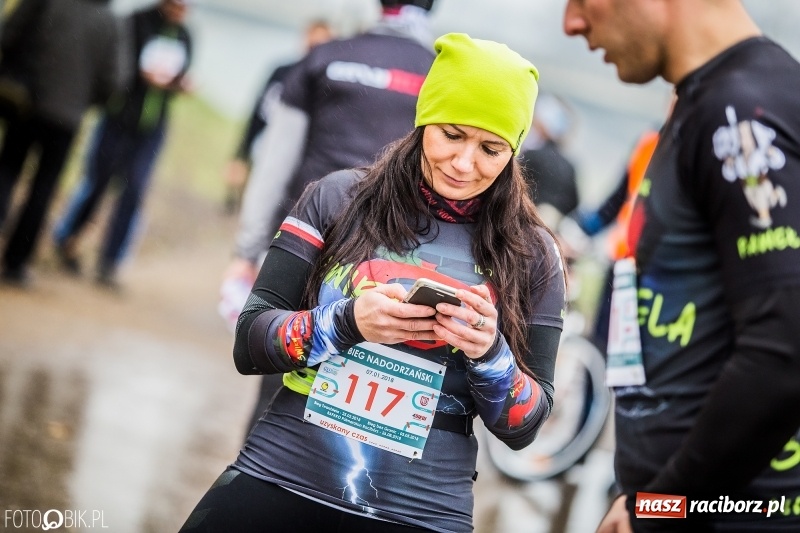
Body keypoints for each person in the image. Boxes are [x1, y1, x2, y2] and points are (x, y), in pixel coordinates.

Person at [180, 32, 566, 533]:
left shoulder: (534, 253)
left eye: (491, 148)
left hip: (424, 508)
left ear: (513, 152)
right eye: (451, 135)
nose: (466, 163)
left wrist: (489, 354)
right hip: (284, 469)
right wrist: (346, 321)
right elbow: (249, 344)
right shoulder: (337, 198)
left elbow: (524, 429)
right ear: (424, 118)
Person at [563, 0, 800, 531]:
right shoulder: (704, 104)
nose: (571, 24)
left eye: (580, 0)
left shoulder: (742, 108)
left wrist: (661, 505)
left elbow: (785, 345)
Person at [223, 0, 438, 436]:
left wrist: (247, 250)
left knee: (279, 377)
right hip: (398, 259)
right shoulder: (441, 76)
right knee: (372, 397)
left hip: (311, 240)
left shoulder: (324, 57)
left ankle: (259, 484)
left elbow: (275, 162)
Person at [52, 0, 192, 289]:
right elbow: (116, 65)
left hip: (152, 126)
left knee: (135, 191)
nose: (183, 10)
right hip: (120, 117)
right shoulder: (136, 21)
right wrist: (141, 77)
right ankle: (67, 238)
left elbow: (180, 73)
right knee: (98, 181)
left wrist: (179, 84)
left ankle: (110, 262)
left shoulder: (186, 36)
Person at [0, 0, 125, 286]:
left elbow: (9, 34)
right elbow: (113, 81)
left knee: (7, 167)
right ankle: (16, 264)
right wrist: (81, 101)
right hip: (67, 117)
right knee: (43, 188)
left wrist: (19, 72)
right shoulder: (110, 21)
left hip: (25, 102)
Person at [222, 20, 333, 214]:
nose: (314, 50)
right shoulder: (282, 72)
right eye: (312, 43)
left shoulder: (329, 84)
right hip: (266, 147)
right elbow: (258, 113)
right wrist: (240, 155)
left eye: (321, 45)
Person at [518, 91, 579, 230]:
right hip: (551, 231)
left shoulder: (532, 156)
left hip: (525, 224)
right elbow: (574, 204)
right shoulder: (569, 166)